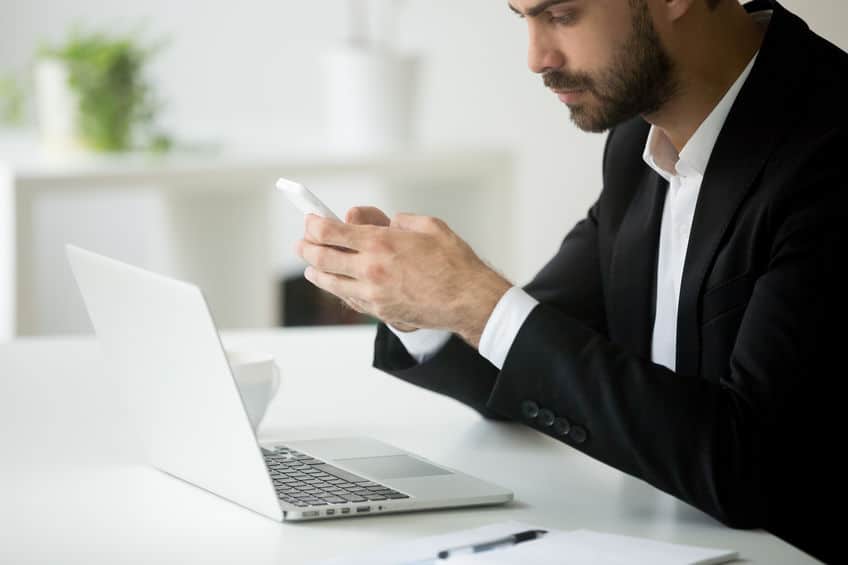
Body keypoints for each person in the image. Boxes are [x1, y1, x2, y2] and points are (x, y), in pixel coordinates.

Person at [295, 0, 846, 561]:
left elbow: (750, 469)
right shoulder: (638, 143)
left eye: (561, 15)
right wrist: (418, 305)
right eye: (522, 18)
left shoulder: (832, 146)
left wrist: (475, 301)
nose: (536, 58)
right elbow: (534, 362)